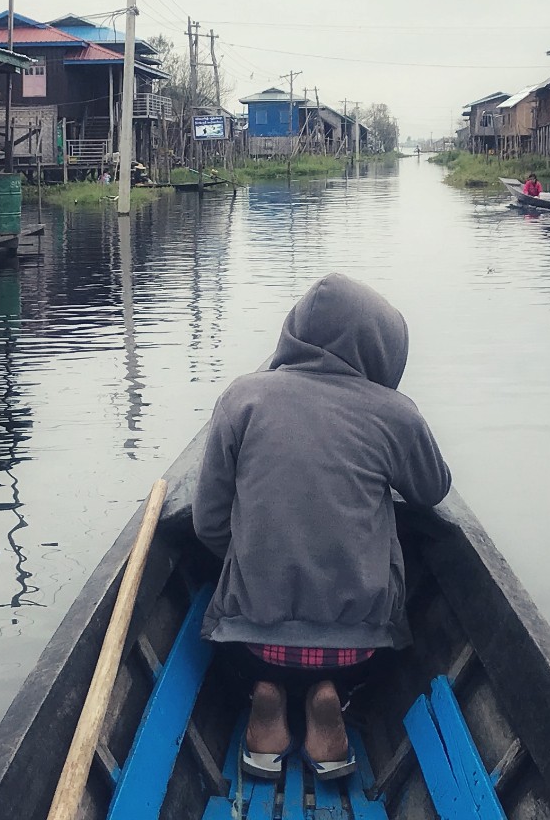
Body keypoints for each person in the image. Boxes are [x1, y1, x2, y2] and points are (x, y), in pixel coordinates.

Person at [194, 274, 452, 781]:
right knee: (366, 622)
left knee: (246, 615)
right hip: (359, 649)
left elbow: (207, 524)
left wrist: (251, 552)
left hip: (250, 645)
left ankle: (264, 697)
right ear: (383, 349)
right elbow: (433, 488)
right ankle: (331, 695)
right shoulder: (394, 414)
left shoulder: (242, 399)